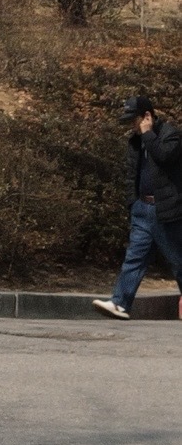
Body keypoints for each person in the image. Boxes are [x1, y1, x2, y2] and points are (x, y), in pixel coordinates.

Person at [93, 92, 182, 318]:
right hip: (142, 209)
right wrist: (133, 203)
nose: (132, 125)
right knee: (134, 258)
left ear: (147, 116)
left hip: (166, 210)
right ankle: (120, 303)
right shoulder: (135, 141)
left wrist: (148, 134)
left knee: (178, 261)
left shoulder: (171, 135)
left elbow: (164, 157)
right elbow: (132, 174)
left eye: (134, 120)